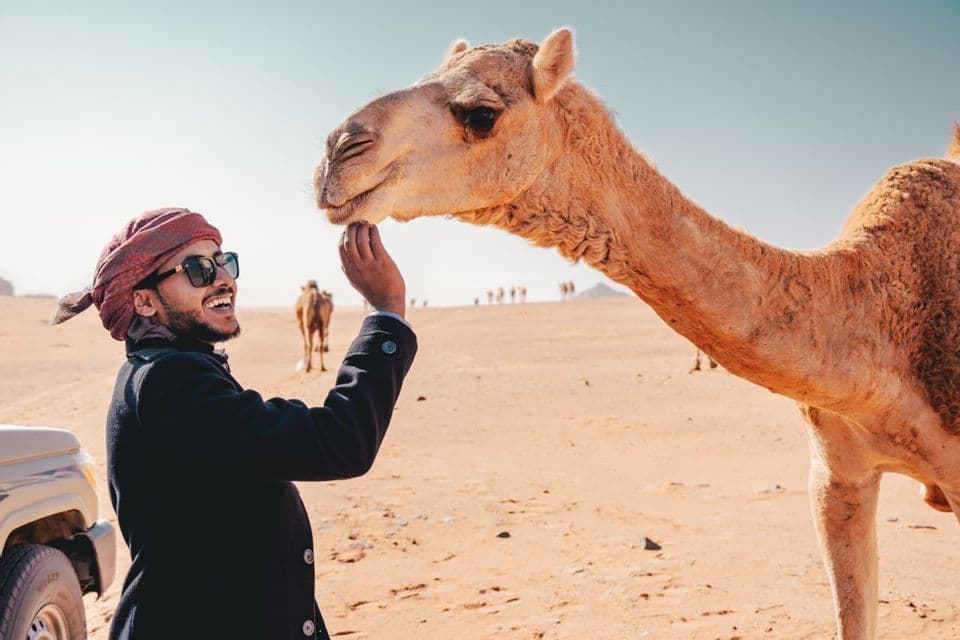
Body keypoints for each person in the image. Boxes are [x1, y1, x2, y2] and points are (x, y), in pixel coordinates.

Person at [52, 207, 416, 639]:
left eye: (224, 262)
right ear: (144, 300)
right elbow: (340, 441)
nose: (223, 277)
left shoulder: (173, 370)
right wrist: (387, 311)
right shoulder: (169, 384)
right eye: (198, 269)